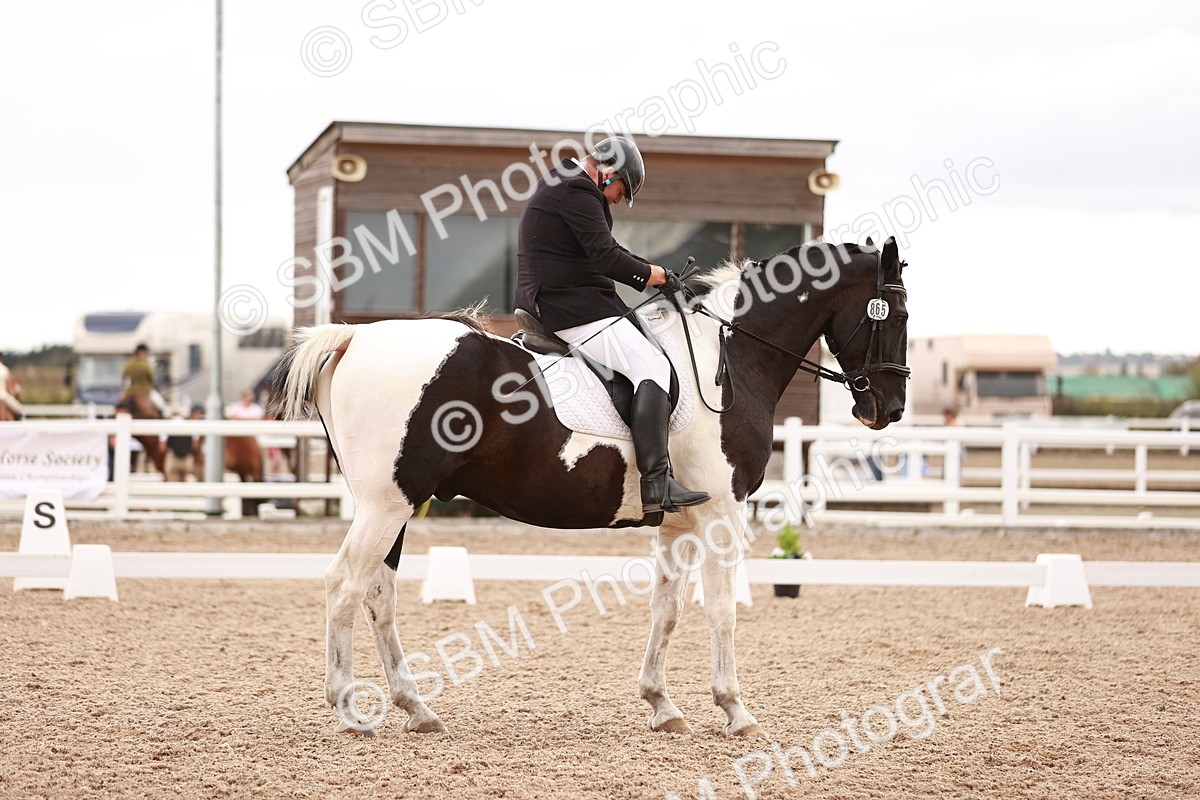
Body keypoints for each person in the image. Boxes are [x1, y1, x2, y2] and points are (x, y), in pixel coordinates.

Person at [515, 135, 709, 515]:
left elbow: (610, 250)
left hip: (566, 300)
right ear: (608, 172)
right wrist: (658, 276)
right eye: (622, 190)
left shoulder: (565, 183)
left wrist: (658, 276)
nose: (619, 200)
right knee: (653, 366)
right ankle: (657, 484)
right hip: (569, 308)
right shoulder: (577, 190)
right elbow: (606, 257)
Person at [118, 343, 159, 417]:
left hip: (130, 390)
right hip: (146, 390)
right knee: (161, 404)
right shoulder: (146, 364)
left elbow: (124, 377)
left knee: (119, 403)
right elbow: (152, 378)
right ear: (143, 352)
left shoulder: (129, 363)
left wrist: (125, 390)